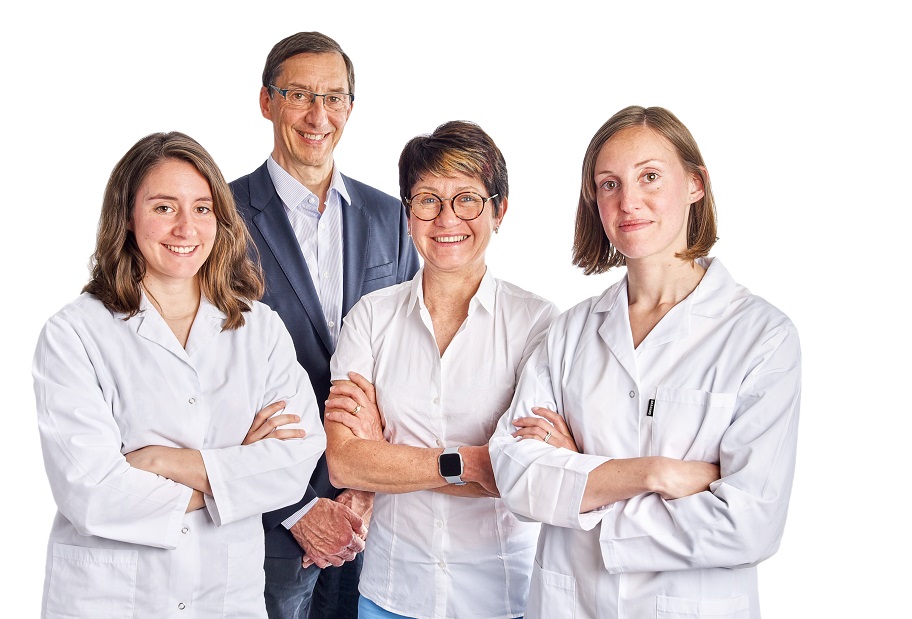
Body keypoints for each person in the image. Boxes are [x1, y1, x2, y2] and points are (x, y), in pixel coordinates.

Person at [490, 106, 802, 619]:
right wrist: (655, 474)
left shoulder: (762, 337)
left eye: (650, 176)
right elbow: (516, 474)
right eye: (609, 184)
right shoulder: (569, 331)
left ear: (696, 184)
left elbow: (749, 525)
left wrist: (583, 483)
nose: (628, 201)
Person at [33, 132, 326, 618]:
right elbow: (91, 492)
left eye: (202, 208)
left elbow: (293, 464)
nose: (186, 227)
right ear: (127, 216)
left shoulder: (259, 328)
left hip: (225, 597)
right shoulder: (74, 334)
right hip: (110, 599)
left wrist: (161, 461)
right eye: (164, 207)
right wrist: (235, 473)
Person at [324, 120, 560, 619]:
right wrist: (470, 462)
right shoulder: (370, 316)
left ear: (499, 210)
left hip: (499, 596)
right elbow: (345, 463)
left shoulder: (537, 323)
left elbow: (522, 472)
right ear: (408, 214)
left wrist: (386, 456)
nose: (447, 217)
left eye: (467, 199)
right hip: (391, 592)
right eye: (428, 200)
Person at [229, 31, 419, 619]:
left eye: (334, 98)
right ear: (267, 101)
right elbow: (205, 376)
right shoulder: (220, 217)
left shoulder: (392, 217)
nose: (319, 115)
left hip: (373, 519)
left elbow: (413, 353)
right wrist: (296, 507)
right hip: (270, 518)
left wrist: (366, 485)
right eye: (299, 95)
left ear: (350, 107)